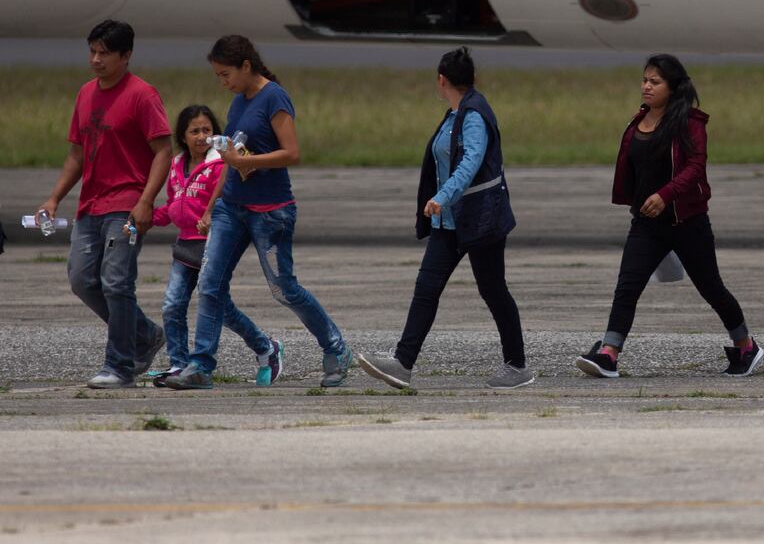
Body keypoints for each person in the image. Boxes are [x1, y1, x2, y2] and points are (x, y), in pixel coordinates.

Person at [164, 36, 352, 389]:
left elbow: (291, 153)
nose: (223, 82)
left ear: (246, 66)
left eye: (225, 74)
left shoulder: (274, 98)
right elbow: (231, 161)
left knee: (284, 289)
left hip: (271, 213)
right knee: (210, 284)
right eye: (218, 76)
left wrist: (245, 161)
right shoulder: (238, 103)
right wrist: (214, 200)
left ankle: (336, 348)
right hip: (231, 209)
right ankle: (201, 366)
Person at [576, 55, 764, 379]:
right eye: (645, 80)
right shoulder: (638, 122)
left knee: (711, 287)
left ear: (673, 87)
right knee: (627, 287)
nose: (647, 86)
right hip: (646, 225)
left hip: (687, 222)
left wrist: (665, 196)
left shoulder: (691, 123)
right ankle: (608, 354)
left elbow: (695, 167)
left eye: (655, 81)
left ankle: (746, 345)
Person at [358, 47, 531, 390]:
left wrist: (441, 196)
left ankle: (517, 366)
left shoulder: (474, 116)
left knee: (493, 291)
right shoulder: (455, 114)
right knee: (426, 288)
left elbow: (470, 162)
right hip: (449, 224)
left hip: (480, 221)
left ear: (441, 80)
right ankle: (403, 364)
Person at [34, 20, 171, 388]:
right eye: (92, 51)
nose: (95, 59)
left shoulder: (143, 95)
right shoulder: (85, 94)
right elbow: (76, 156)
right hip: (90, 205)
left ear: (126, 56)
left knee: (116, 283)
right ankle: (145, 334)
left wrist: (146, 202)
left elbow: (163, 152)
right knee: (82, 280)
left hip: (126, 205)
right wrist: (54, 197)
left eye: (104, 53)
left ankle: (120, 366)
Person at [147, 104, 283, 386]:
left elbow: (227, 202)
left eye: (206, 130)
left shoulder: (221, 165)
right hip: (185, 248)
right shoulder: (175, 165)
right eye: (194, 131)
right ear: (182, 136)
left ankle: (265, 348)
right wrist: (149, 217)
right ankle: (179, 364)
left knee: (220, 310)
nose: (200, 136)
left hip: (213, 247)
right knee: (173, 305)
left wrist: (213, 218)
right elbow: (175, 204)